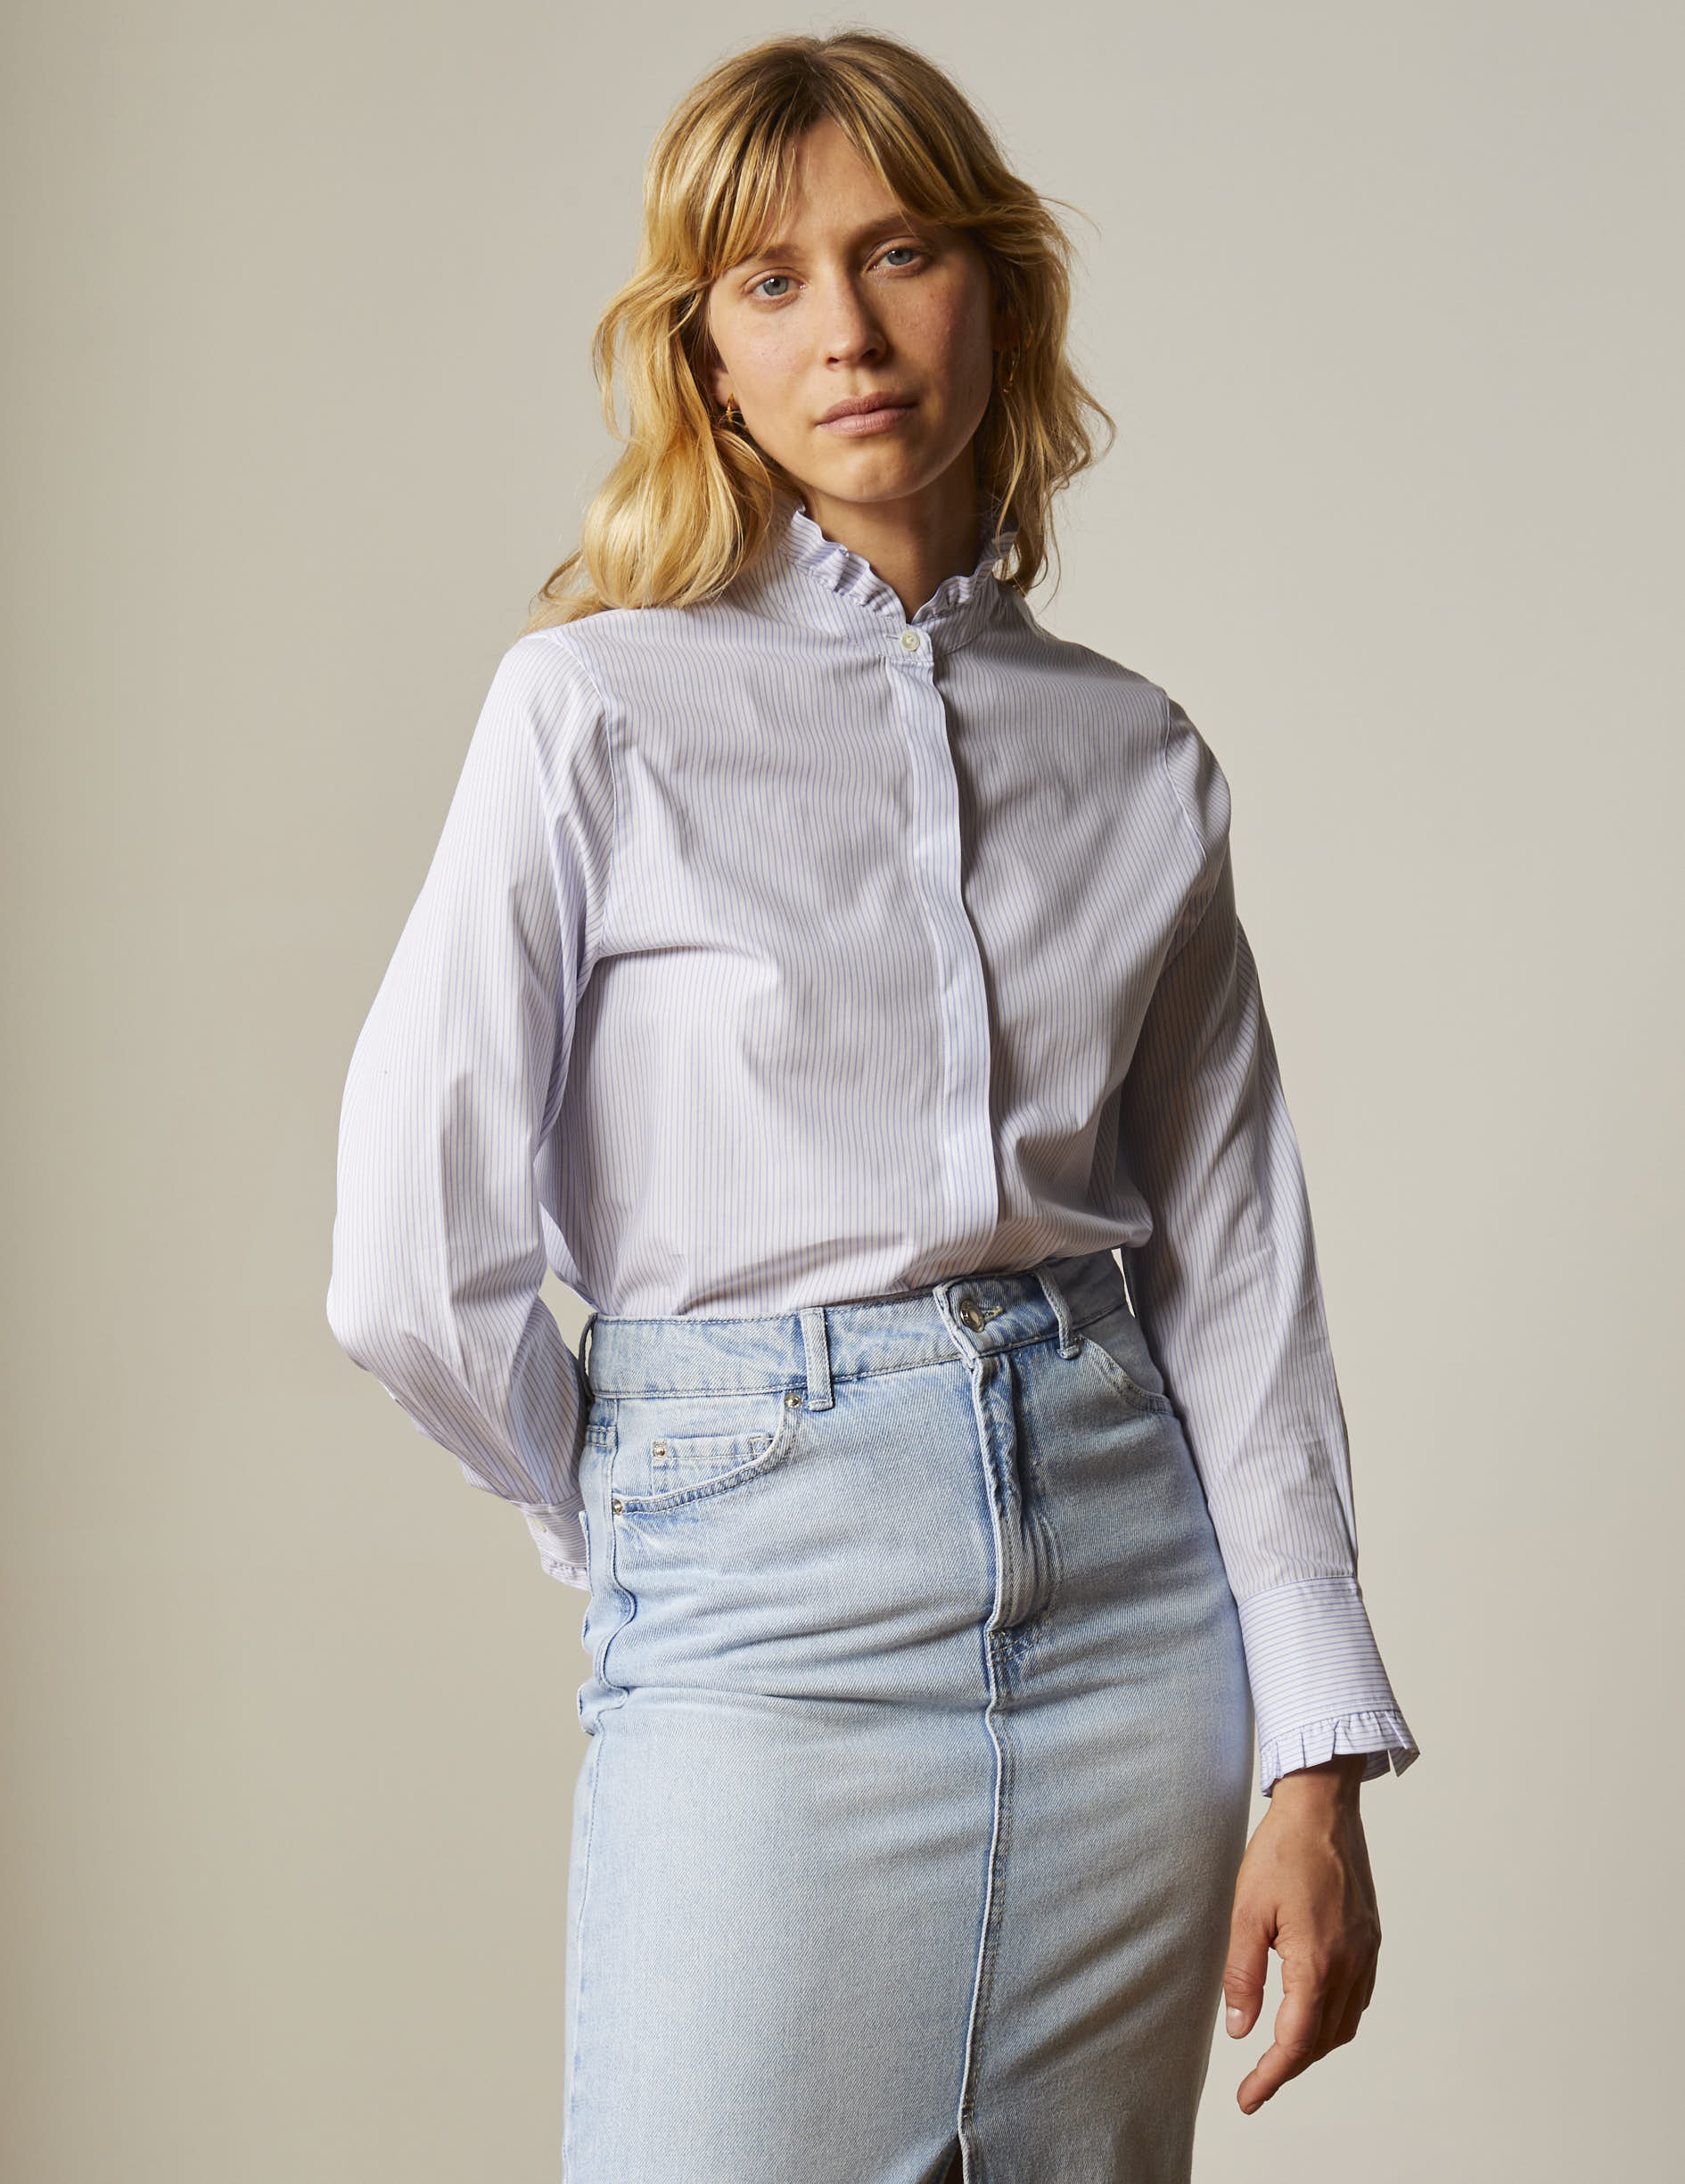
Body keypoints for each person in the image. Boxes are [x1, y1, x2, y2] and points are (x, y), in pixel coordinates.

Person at [325, 29, 1418, 2184]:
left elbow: (1237, 1284)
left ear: (996, 288)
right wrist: (645, 1498)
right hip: (762, 1613)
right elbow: (404, 1268)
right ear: (706, 358)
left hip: (1135, 1626)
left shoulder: (1136, 757)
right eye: (770, 280)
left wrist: (1316, 1761)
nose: (844, 327)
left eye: (899, 251)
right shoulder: (590, 714)